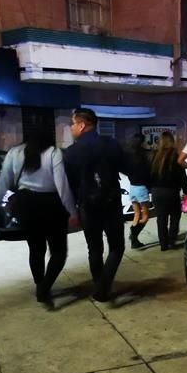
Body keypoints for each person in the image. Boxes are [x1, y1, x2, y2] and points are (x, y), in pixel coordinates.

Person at [0, 130, 78, 309]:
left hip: (26, 205)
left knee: (36, 248)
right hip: (51, 206)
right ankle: (44, 286)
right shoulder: (53, 153)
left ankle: (39, 284)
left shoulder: (15, 152)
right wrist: (72, 211)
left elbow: (3, 180)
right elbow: (62, 185)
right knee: (58, 252)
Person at [63, 108, 127, 302]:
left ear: (82, 125)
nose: (71, 128)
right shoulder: (111, 144)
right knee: (117, 247)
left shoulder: (71, 152)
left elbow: (69, 186)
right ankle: (103, 286)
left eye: (72, 124)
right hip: (111, 203)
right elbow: (126, 167)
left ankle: (99, 283)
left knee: (94, 248)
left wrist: (71, 210)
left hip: (87, 206)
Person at [149, 132, 187, 251]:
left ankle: (163, 244)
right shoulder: (175, 156)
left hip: (157, 192)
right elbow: (182, 177)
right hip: (171, 192)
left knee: (161, 219)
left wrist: (150, 189)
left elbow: (149, 175)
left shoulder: (154, 155)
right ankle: (171, 241)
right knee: (175, 217)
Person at [125, 133, 151, 249]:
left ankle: (134, 241)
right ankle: (134, 235)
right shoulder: (144, 155)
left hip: (132, 187)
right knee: (145, 216)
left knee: (136, 214)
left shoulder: (129, 156)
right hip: (141, 188)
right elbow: (148, 172)